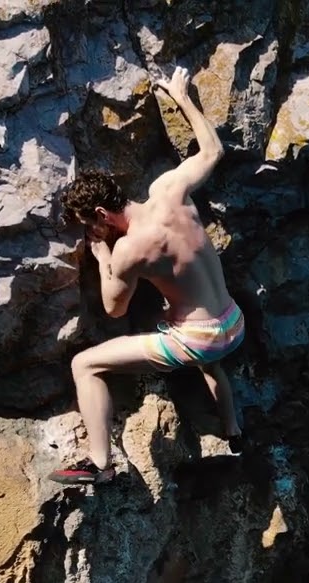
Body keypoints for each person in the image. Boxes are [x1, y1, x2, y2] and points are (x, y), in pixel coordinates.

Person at [49, 66, 244, 484]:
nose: (91, 231)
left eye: (91, 224)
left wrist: (103, 258)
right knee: (213, 362)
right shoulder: (168, 191)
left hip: (196, 340)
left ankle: (99, 464)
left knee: (85, 364)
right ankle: (233, 428)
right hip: (232, 322)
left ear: (102, 215)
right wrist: (181, 96)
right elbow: (212, 152)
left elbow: (114, 310)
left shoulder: (129, 251)